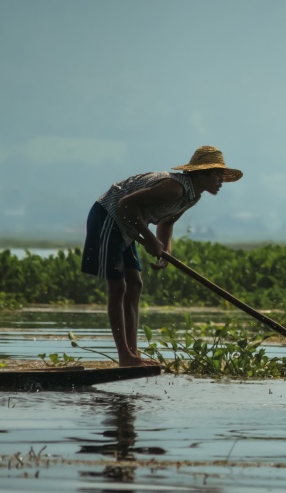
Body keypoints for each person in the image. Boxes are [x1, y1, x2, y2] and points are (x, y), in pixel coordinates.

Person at [81, 146, 243, 366]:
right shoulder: (173, 188)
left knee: (135, 284)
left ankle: (133, 353)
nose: (221, 181)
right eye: (217, 175)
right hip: (109, 216)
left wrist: (165, 249)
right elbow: (125, 203)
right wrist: (149, 238)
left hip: (128, 225)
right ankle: (125, 356)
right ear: (201, 174)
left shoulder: (193, 196)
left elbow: (167, 222)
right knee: (118, 287)